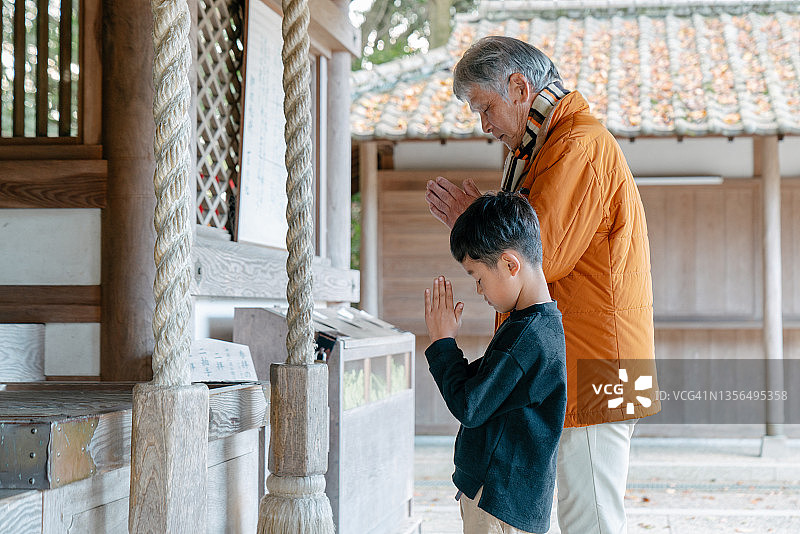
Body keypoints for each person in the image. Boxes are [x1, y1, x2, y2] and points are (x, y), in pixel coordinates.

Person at [425, 36, 660, 534]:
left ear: (517, 86)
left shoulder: (577, 145)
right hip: (577, 359)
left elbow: (538, 254)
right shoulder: (547, 145)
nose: (484, 124)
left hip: (598, 364)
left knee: (590, 520)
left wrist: (475, 220)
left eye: (485, 107)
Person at [423, 191, 567, 534]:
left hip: (499, 502)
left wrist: (443, 344)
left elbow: (470, 405)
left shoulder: (525, 335)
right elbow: (485, 388)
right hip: (511, 499)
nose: (478, 290)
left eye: (478, 277)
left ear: (509, 264)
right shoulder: (538, 325)